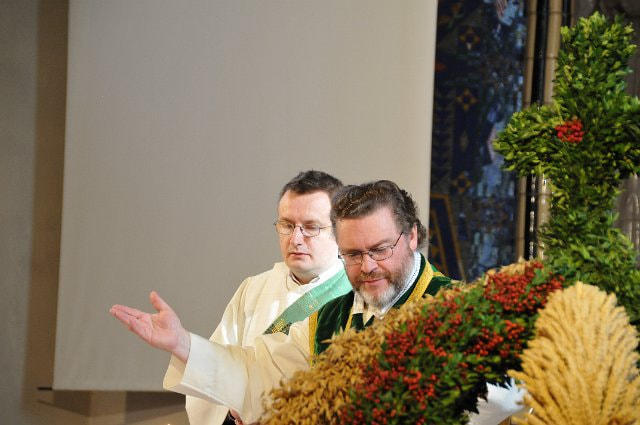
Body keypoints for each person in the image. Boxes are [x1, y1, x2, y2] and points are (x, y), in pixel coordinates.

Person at [111, 180, 523, 424]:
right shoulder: (327, 320)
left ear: (412, 236)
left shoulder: (459, 309)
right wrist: (183, 344)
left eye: (380, 249)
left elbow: (505, 398)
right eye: (353, 254)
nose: (368, 267)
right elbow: (262, 376)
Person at [111, 170, 351, 425]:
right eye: (287, 225)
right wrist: (181, 343)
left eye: (311, 227)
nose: (295, 239)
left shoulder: (354, 298)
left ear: (340, 231)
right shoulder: (254, 289)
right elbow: (219, 374)